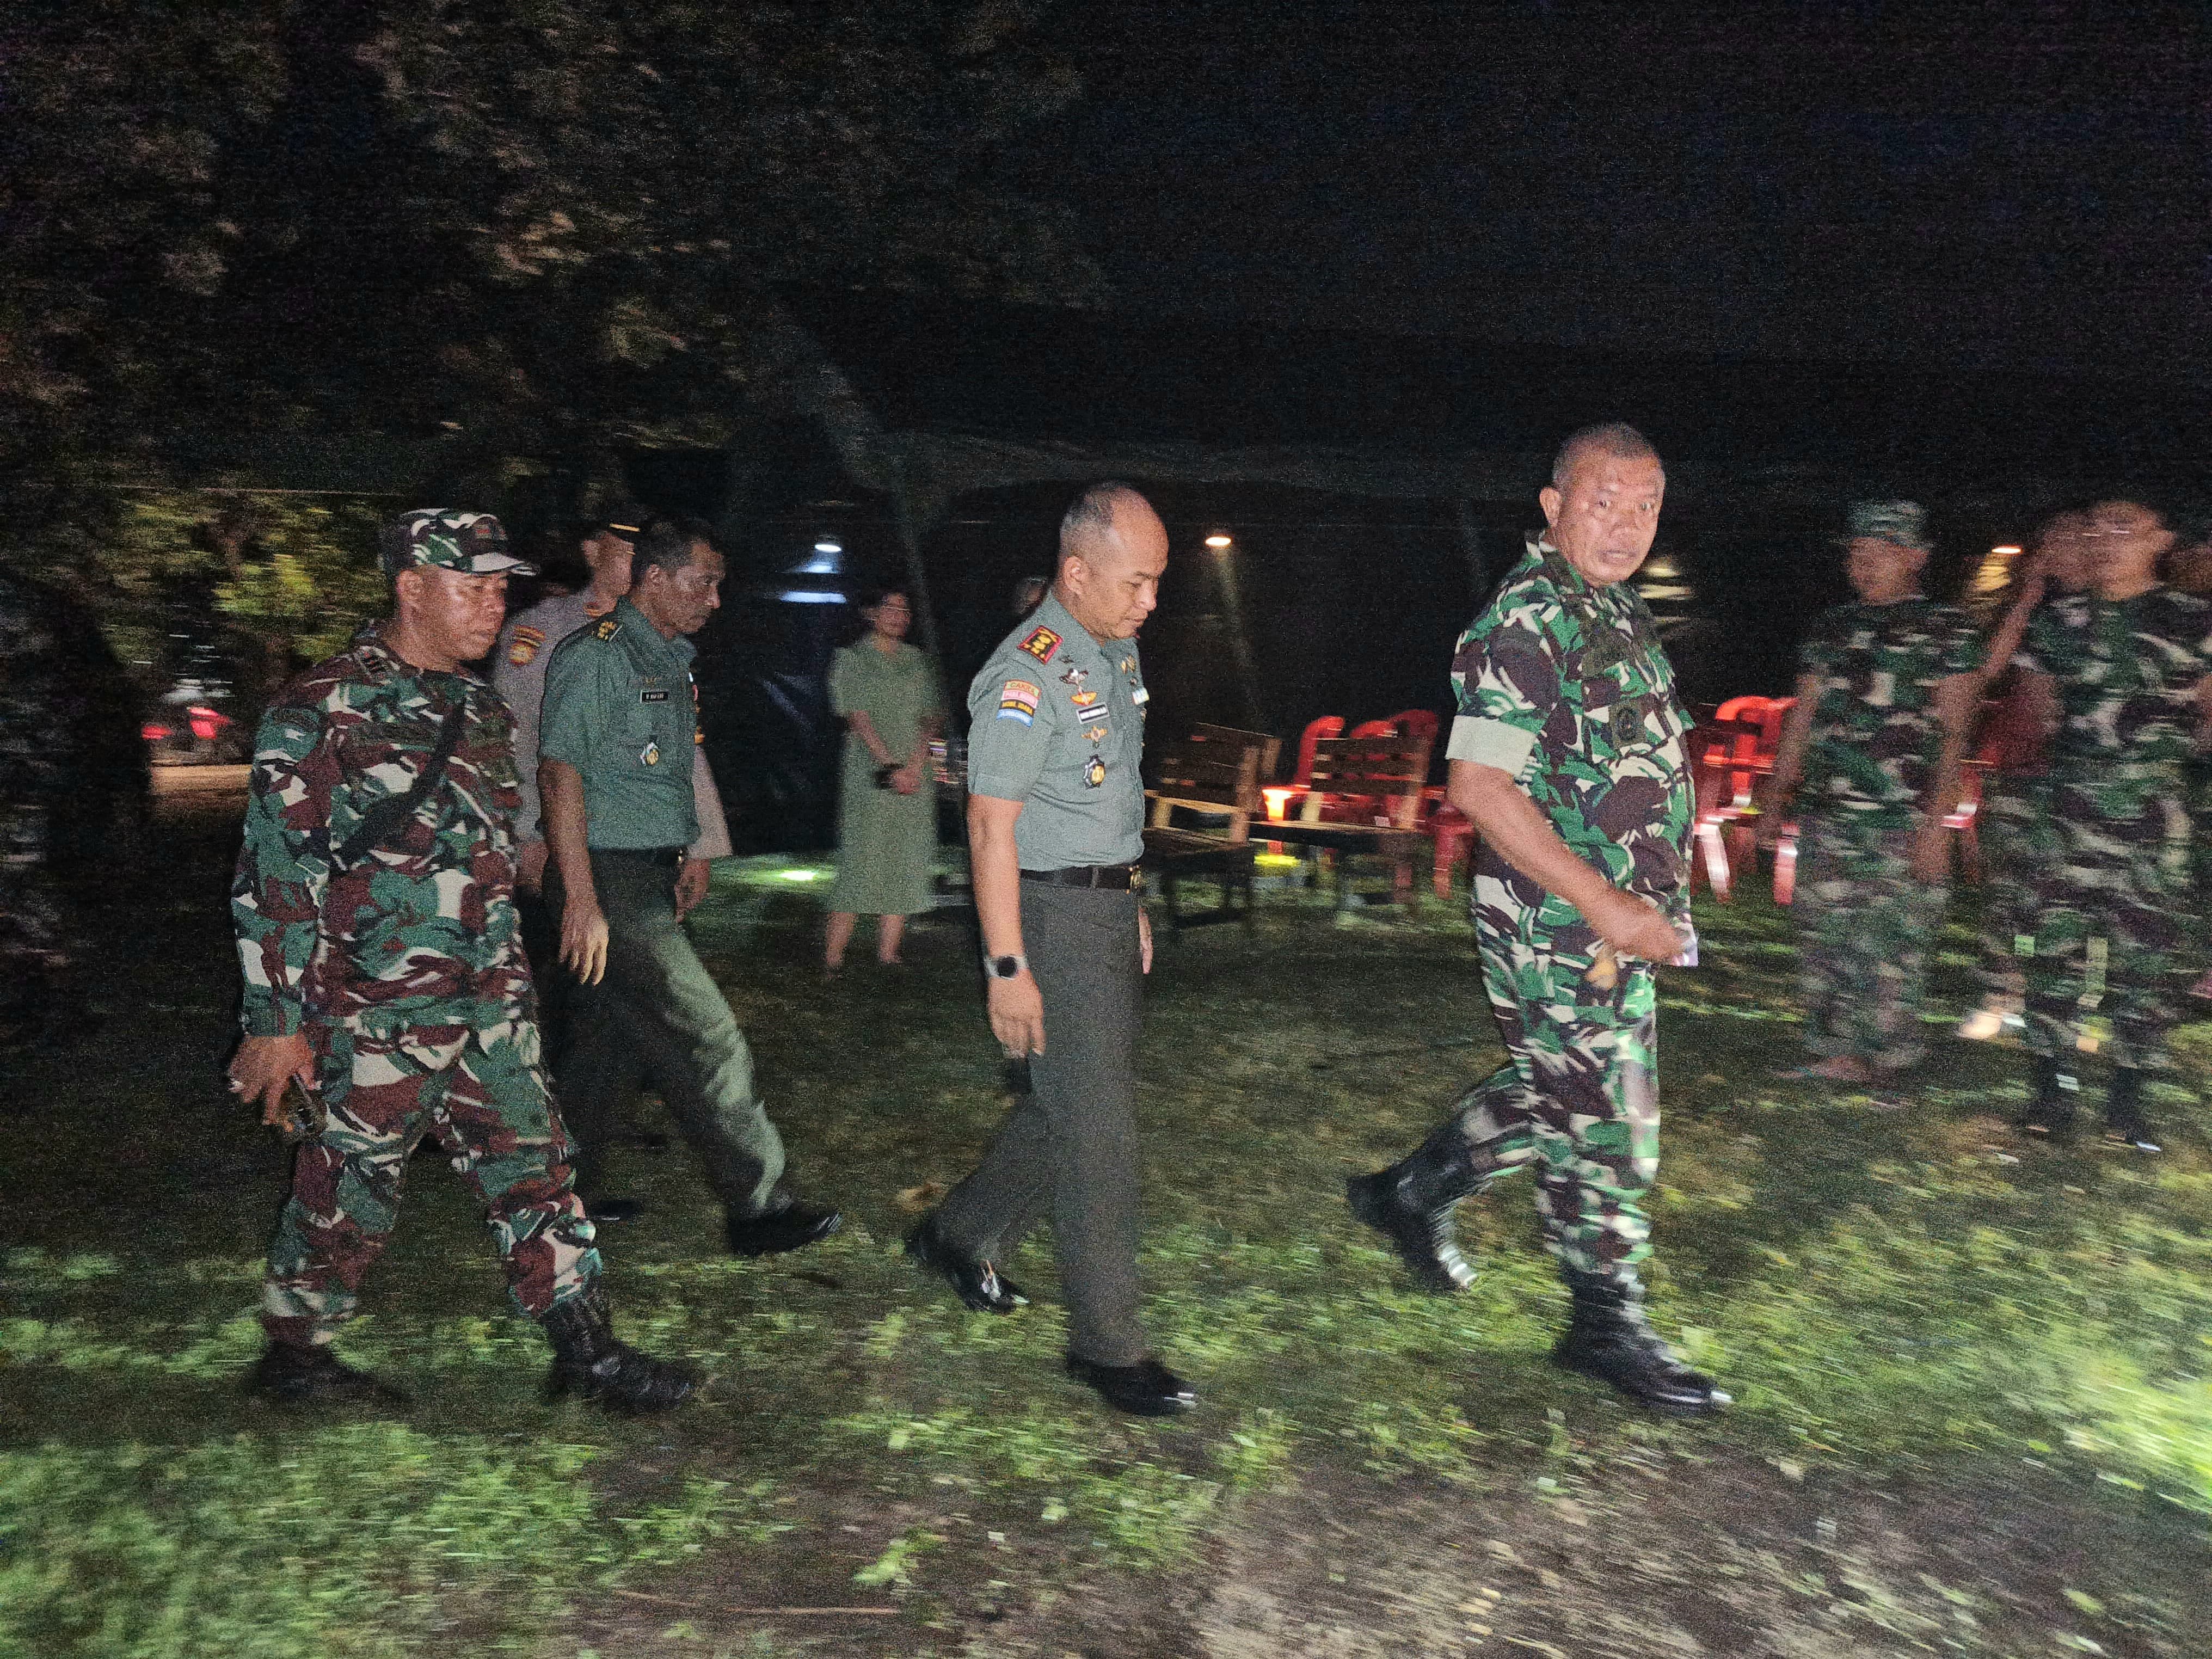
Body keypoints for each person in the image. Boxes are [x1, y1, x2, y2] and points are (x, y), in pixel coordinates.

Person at [226, 508, 692, 1412]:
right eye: (472, 586)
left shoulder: (476, 709)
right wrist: (276, 1024)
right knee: (348, 1184)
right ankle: (294, 1354)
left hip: (488, 997)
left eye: (499, 586)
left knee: (536, 1167)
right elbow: (276, 877)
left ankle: (587, 1350)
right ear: (410, 588)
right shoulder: (319, 709)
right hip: (373, 1005)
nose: (495, 604)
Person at [1345, 423, 1727, 1416]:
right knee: (1609, 1115)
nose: (1627, 522)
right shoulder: (1527, 620)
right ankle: (1603, 1318)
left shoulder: (1608, 612)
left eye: (1645, 504)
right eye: (1604, 499)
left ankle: (1407, 1192)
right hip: (1555, 922)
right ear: (1552, 505)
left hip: (1608, 916)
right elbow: (1476, 783)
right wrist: (1604, 902)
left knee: (1558, 1086)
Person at [902, 482, 1194, 1418]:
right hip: (1045, 922)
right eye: (1135, 582)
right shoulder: (1024, 671)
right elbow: (989, 828)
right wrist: (1004, 966)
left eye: (1156, 582)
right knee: (1099, 1132)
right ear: (1076, 572)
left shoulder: (1111, 649)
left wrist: (1128, 894)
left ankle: (958, 1232)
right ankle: (1108, 1344)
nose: (1149, 600)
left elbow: (1103, 799)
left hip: (1098, 909)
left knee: (1069, 1098)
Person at [538, 518, 840, 1255]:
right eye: (704, 581)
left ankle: (556, 1203)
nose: (715, 598)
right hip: (606, 878)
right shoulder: (597, 657)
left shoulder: (670, 659)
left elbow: (664, 772)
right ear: (655, 578)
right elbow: (559, 773)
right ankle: (759, 1206)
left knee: (606, 1051)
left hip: (644, 870)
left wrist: (689, 854)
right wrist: (581, 898)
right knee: (708, 1036)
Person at [492, 504, 734, 1219]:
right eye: (626, 548)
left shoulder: (658, 641)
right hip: (570, 854)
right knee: (583, 1017)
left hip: (639, 856)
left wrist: (704, 844)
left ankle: (567, 1180)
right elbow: (521, 743)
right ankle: (543, 1174)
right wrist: (529, 837)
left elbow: (682, 750)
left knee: (608, 1024)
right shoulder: (544, 633)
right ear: (595, 549)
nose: (639, 562)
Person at [2008, 496, 2212, 1150]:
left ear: (2161, 540)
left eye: (2121, 529)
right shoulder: (2059, 619)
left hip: (2155, 818)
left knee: (2144, 960)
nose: (2104, 541)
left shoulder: (2194, 620)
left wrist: (2162, 766)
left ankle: (2128, 1102)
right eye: (2093, 530)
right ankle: (2051, 1090)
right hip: (2067, 810)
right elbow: (2040, 713)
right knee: (2053, 954)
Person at [1758, 501, 1981, 1089]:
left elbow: (1955, 731)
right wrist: (1775, 798)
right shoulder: (1831, 627)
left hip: (1903, 818)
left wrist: (1937, 829)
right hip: (1829, 814)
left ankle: (1891, 1062)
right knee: (1823, 937)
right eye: (1856, 552)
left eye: (1878, 551)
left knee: (1894, 948)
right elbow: (1801, 717)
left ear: (1915, 556)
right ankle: (1836, 1051)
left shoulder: (1947, 628)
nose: (1862, 564)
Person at [1955, 511, 2093, 1040]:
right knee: (2006, 892)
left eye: (2070, 539)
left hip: (2081, 781)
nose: (2057, 548)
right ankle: (1997, 995)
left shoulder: (2115, 612)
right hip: (2016, 770)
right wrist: (2027, 597)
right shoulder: (2030, 610)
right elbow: (1985, 670)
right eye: (2049, 539)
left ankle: (2066, 1007)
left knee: (2072, 897)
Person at [823, 586, 945, 972]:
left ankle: (889, 954)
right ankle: (833, 956)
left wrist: (913, 766)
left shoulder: (919, 661)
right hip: (869, 772)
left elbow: (932, 717)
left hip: (914, 772)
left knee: (905, 855)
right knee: (863, 854)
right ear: (871, 613)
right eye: (890, 607)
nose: (898, 615)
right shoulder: (852, 659)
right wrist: (890, 767)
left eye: (904, 609)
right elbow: (857, 717)